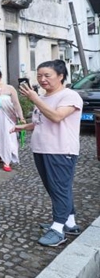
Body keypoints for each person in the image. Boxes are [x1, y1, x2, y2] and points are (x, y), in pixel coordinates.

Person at [13, 60, 82, 247]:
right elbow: (41, 121)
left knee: (59, 187)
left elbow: (57, 117)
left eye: (47, 76)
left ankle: (58, 229)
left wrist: (34, 98)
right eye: (40, 76)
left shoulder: (70, 96)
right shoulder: (43, 98)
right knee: (57, 187)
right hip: (41, 148)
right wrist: (24, 126)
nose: (43, 80)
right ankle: (70, 222)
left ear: (61, 76)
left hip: (60, 149)